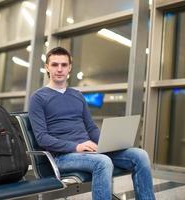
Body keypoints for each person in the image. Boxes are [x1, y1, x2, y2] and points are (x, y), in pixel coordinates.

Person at [28, 47, 155, 200]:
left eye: (64, 65)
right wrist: (76, 147)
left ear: (70, 68)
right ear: (47, 67)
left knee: (140, 155)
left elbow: (91, 128)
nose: (59, 69)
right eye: (55, 65)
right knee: (103, 161)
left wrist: (106, 144)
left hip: (89, 152)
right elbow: (42, 138)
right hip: (62, 156)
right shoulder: (38, 98)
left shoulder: (77, 96)